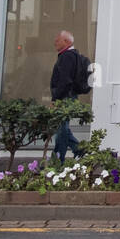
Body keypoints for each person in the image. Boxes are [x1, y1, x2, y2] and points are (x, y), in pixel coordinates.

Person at [49, 30, 83, 161]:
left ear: (67, 42)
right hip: (67, 96)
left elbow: (65, 80)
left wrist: (56, 99)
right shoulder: (70, 55)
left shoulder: (68, 56)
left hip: (65, 98)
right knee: (63, 128)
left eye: (58, 40)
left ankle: (57, 160)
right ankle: (79, 149)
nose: (55, 42)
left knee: (61, 130)